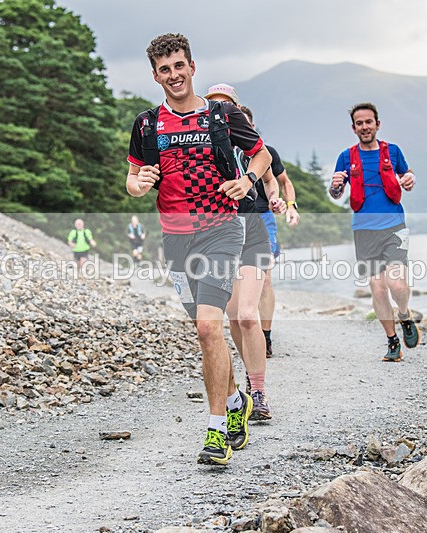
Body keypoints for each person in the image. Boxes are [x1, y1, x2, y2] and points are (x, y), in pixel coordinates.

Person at [125, 34, 272, 466]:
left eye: (179, 66)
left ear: (192, 67)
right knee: (204, 333)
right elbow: (131, 180)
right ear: (155, 75)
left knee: (210, 328)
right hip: (175, 238)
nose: (173, 75)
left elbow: (260, 155)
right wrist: (139, 185)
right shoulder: (147, 124)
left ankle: (214, 434)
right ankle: (234, 402)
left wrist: (246, 181)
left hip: (222, 231)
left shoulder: (222, 114)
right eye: (164, 69)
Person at [204, 85, 286, 422]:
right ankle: (244, 381)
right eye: (215, 106)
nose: (221, 112)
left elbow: (271, 174)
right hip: (215, 233)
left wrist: (280, 200)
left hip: (251, 228)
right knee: (234, 316)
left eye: (227, 107)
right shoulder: (199, 143)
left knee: (247, 315)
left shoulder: (250, 144)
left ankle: (258, 391)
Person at [329, 102, 420, 362]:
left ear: (377, 124)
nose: (365, 126)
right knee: (378, 289)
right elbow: (335, 193)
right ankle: (392, 341)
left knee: (397, 284)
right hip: (364, 231)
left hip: (393, 226)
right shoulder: (346, 157)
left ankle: (404, 313)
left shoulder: (393, 151)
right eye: (360, 123)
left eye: (369, 122)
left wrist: (410, 178)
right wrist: (335, 186)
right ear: (354, 128)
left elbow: (408, 176)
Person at [238, 105, 300, 358]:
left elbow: (282, 182)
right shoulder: (219, 151)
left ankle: (265, 336)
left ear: (251, 127)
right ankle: (244, 329)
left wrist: (290, 205)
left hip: (262, 217)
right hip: (230, 220)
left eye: (244, 124)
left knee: (264, 279)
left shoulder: (266, 153)